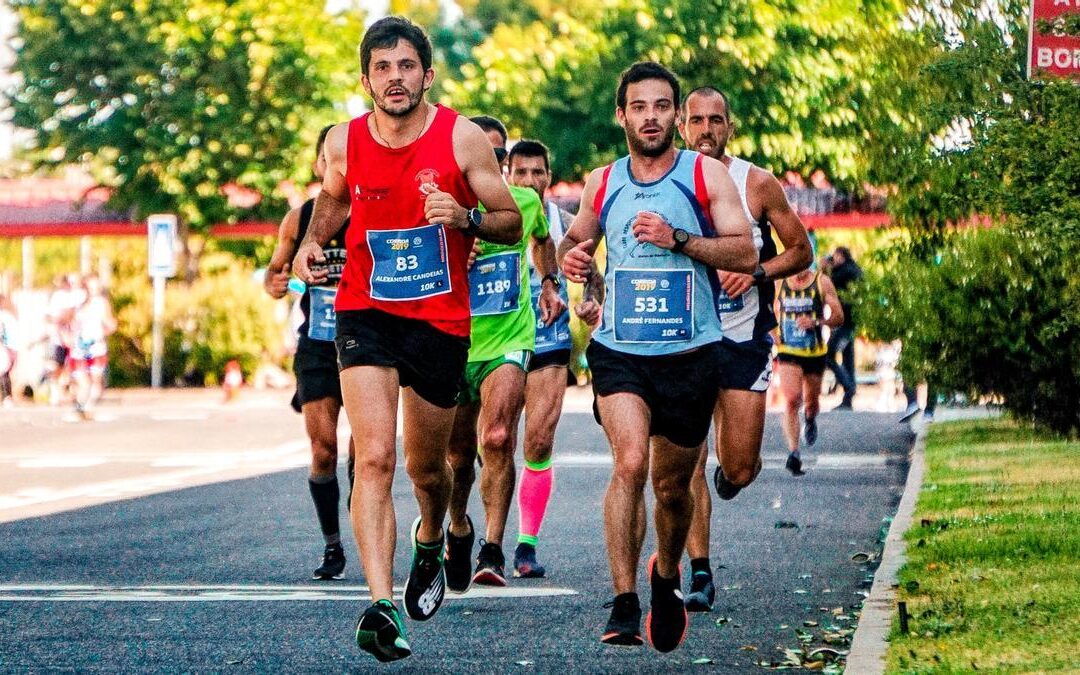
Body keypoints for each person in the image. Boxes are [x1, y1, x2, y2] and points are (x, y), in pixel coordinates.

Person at [291, 16, 522, 663]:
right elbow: (333, 202)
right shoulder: (343, 142)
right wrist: (312, 243)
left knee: (429, 468)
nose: (396, 78)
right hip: (365, 310)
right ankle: (382, 603)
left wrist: (466, 216)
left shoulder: (462, 139)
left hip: (439, 321)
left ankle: (434, 534)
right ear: (366, 79)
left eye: (406, 66)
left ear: (426, 73)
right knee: (372, 457)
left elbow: (508, 219)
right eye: (383, 68)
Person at [557, 62, 756, 653]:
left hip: (691, 352)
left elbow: (745, 251)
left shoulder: (704, 177)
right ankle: (623, 603)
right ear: (621, 115)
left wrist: (681, 240)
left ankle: (665, 576)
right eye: (638, 107)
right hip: (621, 352)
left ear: (675, 114)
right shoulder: (604, 181)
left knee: (672, 489)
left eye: (661, 106)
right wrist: (574, 263)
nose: (651, 117)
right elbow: (578, 242)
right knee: (628, 465)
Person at [676, 86, 813, 612]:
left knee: (740, 466)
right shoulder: (663, 180)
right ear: (682, 126)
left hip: (742, 337)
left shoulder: (756, 183)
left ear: (729, 126)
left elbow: (801, 248)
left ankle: (731, 480)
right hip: (683, 339)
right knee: (688, 457)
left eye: (716, 120)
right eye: (696, 120)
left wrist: (755, 271)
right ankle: (700, 571)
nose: (705, 129)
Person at [443, 116, 566, 591]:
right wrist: (456, 248)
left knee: (496, 436)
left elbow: (541, 240)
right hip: (454, 341)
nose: (492, 166)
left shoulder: (524, 202)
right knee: (456, 454)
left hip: (509, 338)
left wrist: (551, 281)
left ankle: (493, 547)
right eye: (484, 157)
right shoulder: (442, 206)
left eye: (500, 158)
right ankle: (458, 528)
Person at [503, 138, 605, 578]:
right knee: (492, 441)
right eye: (520, 172)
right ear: (507, 175)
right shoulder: (493, 221)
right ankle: (471, 531)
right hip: (496, 345)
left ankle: (526, 544)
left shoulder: (563, 226)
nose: (529, 180)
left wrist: (591, 303)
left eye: (536, 173)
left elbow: (594, 279)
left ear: (548, 176)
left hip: (548, 342)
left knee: (539, 440)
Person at [264, 125, 355, 581]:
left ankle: (368, 519)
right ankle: (332, 545)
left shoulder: (372, 213)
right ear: (320, 166)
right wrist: (275, 282)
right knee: (323, 449)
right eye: (327, 159)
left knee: (367, 451)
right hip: (318, 344)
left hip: (366, 342)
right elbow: (274, 273)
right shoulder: (298, 220)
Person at [774, 265, 845, 475]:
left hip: (814, 352)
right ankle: (793, 453)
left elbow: (838, 316)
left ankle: (810, 418)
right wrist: (773, 335)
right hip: (788, 350)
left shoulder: (821, 282)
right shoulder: (780, 282)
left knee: (811, 402)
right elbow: (767, 311)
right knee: (792, 399)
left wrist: (816, 321)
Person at [67, 275, 116, 419]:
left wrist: (104, 332)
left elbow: (110, 323)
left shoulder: (101, 303)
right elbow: (68, 320)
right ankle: (81, 405)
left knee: (96, 378)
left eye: (94, 287)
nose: (91, 290)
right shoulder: (77, 302)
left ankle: (88, 406)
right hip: (79, 346)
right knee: (82, 380)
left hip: (96, 345)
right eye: (89, 287)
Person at [826, 246, 862, 409]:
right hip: (852, 321)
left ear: (841, 256)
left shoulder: (844, 272)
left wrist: (827, 269)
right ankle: (848, 397)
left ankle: (849, 387)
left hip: (845, 323)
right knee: (848, 358)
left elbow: (830, 284)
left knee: (829, 355)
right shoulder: (855, 270)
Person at [0, 293, 17, 408]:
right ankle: (6, 397)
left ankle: (7, 396)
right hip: (7, 346)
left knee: (3, 371)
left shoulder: (5, 316)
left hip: (5, 346)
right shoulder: (7, 316)